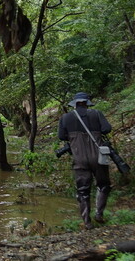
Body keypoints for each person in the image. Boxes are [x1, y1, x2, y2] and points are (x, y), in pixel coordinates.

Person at [58, 92, 112, 230]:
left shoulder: (65, 117)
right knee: (104, 185)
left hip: (79, 158)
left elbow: (61, 136)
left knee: (83, 190)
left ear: (75, 103)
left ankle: (87, 222)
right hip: (99, 157)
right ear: (87, 103)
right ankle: (99, 214)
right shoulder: (97, 113)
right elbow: (107, 129)